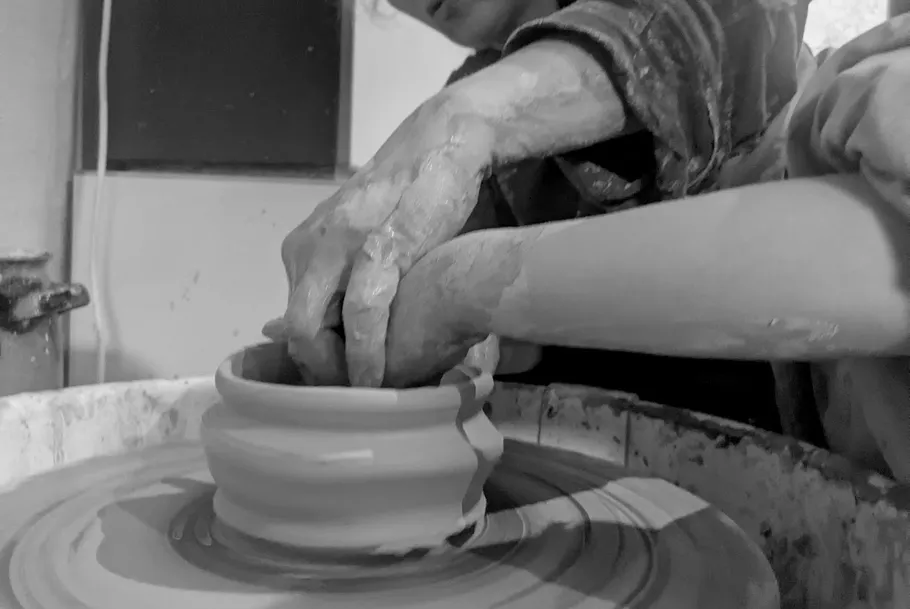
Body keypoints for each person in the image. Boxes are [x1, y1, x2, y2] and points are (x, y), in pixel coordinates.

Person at [266, 2, 910, 476]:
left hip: (774, 445)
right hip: (607, 483)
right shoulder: (465, 93)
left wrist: (471, 124)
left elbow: (720, 26)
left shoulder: (717, 22)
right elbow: (473, 347)